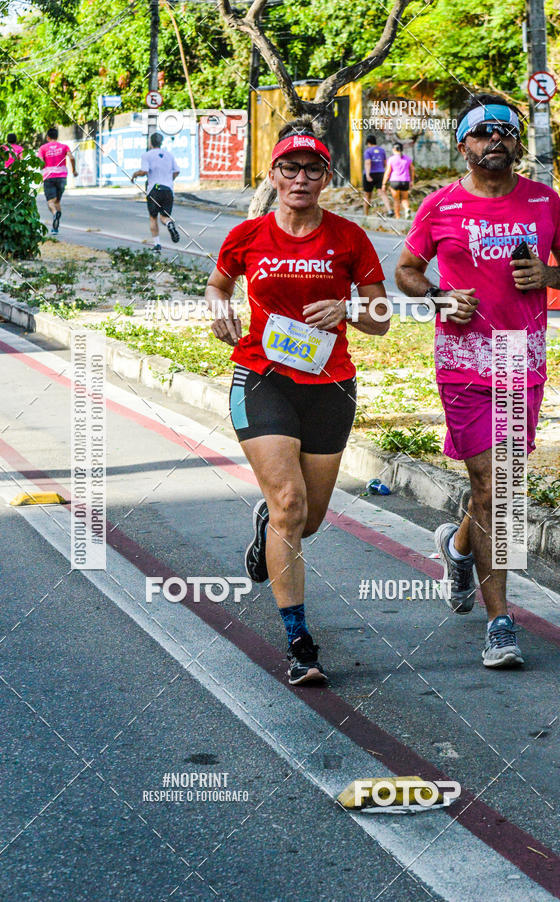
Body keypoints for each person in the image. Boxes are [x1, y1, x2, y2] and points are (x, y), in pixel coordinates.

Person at [395, 93, 560, 669]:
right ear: (464, 146)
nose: (496, 139)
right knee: (496, 489)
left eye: (507, 130)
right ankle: (501, 622)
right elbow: (406, 270)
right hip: (462, 359)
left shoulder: (543, 201)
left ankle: (457, 549)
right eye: (483, 132)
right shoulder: (441, 205)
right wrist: (436, 296)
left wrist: (552, 274)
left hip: (519, 355)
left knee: (494, 489)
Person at [208, 118, 389, 685]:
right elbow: (218, 284)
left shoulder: (348, 237)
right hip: (261, 376)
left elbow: (382, 318)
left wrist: (350, 312)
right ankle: (299, 641)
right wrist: (219, 307)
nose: (302, 178)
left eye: (314, 169)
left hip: (329, 385)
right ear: (274, 173)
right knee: (289, 501)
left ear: (326, 177)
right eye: (291, 167)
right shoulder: (247, 235)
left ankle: (269, 527)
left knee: (304, 520)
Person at [131, 132, 180, 254]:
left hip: (154, 189)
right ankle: (169, 224)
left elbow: (144, 171)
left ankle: (157, 244)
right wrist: (169, 180)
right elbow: (177, 171)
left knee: (153, 218)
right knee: (164, 217)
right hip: (168, 189)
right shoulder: (169, 155)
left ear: (150, 142)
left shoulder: (147, 155)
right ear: (161, 142)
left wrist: (134, 175)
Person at [38, 127, 77, 234]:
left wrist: (43, 167)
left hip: (49, 177)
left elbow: (40, 162)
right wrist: (74, 171)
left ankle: (55, 213)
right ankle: (55, 228)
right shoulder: (64, 146)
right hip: (62, 177)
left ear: (47, 137)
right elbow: (72, 158)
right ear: (57, 136)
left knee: (50, 202)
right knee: (57, 201)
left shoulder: (43, 148)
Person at [382, 142, 414, 219]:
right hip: (405, 181)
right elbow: (412, 169)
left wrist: (384, 183)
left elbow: (388, 172)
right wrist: (411, 180)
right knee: (405, 199)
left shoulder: (391, 159)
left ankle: (398, 217)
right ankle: (407, 209)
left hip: (394, 181)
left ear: (394, 149)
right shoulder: (407, 158)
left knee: (396, 200)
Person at [363, 135, 392, 217]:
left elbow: (368, 163)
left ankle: (365, 215)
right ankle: (389, 210)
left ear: (368, 143)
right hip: (380, 173)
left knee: (367, 195)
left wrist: (368, 175)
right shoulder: (382, 150)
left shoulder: (368, 151)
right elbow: (385, 163)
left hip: (370, 173)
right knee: (383, 193)